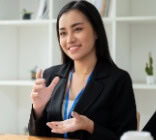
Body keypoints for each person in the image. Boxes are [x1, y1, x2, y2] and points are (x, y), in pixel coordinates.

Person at [28, 1, 137, 140]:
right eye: (63, 33)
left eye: (78, 29)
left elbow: (126, 137)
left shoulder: (118, 80)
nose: (70, 39)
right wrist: (38, 109)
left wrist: (90, 126)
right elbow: (37, 137)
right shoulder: (49, 77)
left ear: (96, 31)